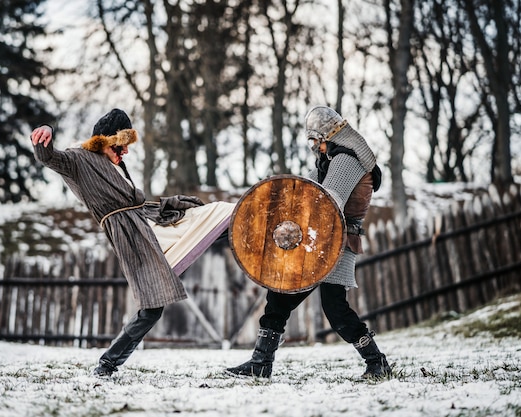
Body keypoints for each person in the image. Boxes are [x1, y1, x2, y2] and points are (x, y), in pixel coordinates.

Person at [30, 108, 234, 377]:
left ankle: (259, 236)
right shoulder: (79, 159)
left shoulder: (115, 166)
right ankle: (107, 364)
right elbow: (52, 158)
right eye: (122, 146)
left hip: (149, 222)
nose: (125, 152)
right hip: (135, 235)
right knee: (152, 308)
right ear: (107, 140)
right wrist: (45, 135)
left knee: (219, 215)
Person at [225, 105, 391, 380]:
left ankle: (377, 362)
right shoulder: (328, 161)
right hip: (316, 242)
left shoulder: (346, 160)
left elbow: (328, 202)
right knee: (279, 296)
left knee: (335, 309)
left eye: (316, 140)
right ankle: (260, 363)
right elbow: (304, 195)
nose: (314, 146)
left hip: (337, 241)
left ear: (330, 136)